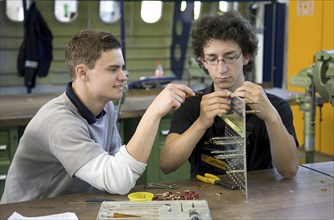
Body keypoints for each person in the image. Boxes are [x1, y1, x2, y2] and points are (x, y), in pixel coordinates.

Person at [1, 30, 194, 204]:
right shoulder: (60, 122)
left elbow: (115, 163)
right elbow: (119, 180)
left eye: (122, 68)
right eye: (113, 69)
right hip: (29, 214)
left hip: (71, 207)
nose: (123, 76)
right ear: (82, 72)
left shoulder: (106, 106)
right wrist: (154, 112)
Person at [160, 11, 299, 180]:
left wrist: (272, 117)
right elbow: (166, 165)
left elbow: (290, 170)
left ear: (246, 56)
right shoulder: (192, 105)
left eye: (230, 57)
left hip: (260, 199)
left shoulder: (275, 106)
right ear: (203, 60)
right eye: (212, 58)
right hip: (206, 197)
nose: (221, 69)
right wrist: (201, 123)